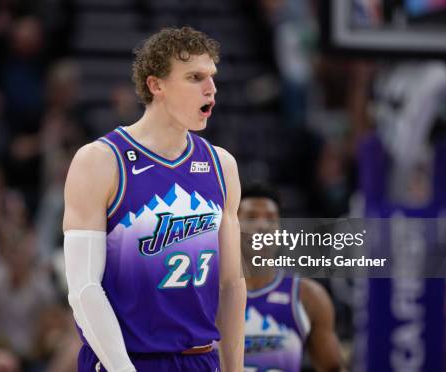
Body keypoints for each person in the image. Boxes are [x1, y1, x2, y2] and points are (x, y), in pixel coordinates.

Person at [62, 27, 246, 372]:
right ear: (155, 85)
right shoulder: (100, 161)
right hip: (127, 360)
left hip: (200, 359)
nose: (211, 89)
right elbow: (83, 289)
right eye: (195, 77)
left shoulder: (222, 165)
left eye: (212, 77)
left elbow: (231, 284)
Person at [238, 184, 344, 372]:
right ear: (232, 225)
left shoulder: (308, 295)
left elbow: (333, 368)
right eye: (251, 217)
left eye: (271, 219)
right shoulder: (205, 292)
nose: (262, 227)